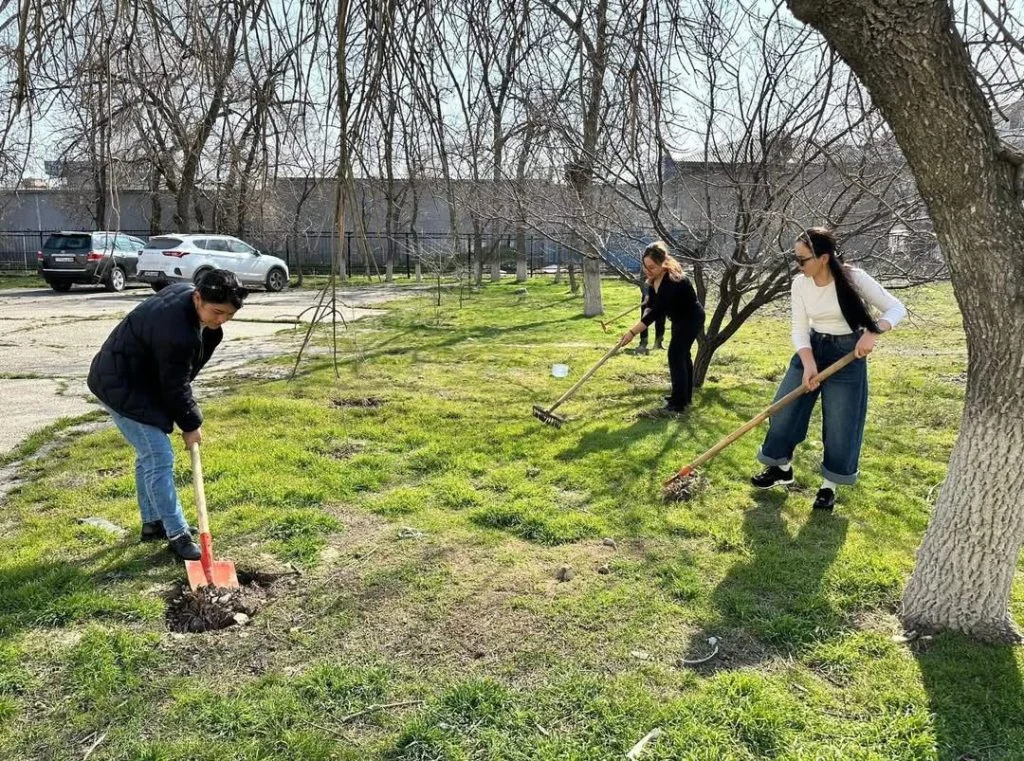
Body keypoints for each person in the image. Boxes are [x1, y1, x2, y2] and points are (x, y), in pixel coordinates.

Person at [87, 269, 248, 559]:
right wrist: (190, 424)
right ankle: (178, 534)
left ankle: (152, 523)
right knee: (159, 456)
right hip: (121, 385)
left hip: (143, 380)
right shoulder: (176, 332)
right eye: (217, 312)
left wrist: (180, 411)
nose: (221, 320)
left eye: (229, 315)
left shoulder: (192, 305)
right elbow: (175, 384)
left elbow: (178, 375)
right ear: (198, 298)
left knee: (148, 454)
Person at [750, 227, 906, 511]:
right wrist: (808, 363)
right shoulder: (800, 284)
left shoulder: (854, 278)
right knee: (784, 411)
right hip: (813, 348)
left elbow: (896, 308)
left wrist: (873, 333)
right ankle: (781, 469)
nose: (797, 265)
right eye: (795, 259)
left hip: (847, 354)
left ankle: (828, 487)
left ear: (823, 258)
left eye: (802, 259)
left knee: (840, 423)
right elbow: (798, 329)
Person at [619, 241, 705, 412]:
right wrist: (646, 307)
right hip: (679, 319)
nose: (647, 270)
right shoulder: (653, 279)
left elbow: (656, 313)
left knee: (675, 355)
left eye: (651, 267)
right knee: (682, 356)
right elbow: (651, 304)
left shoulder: (671, 280)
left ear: (662, 264)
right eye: (645, 266)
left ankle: (678, 404)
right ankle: (683, 397)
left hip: (691, 319)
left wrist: (632, 333)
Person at [634, 281, 666, 355]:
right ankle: (643, 342)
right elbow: (643, 281)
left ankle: (658, 343)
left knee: (661, 320)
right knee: (645, 319)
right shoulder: (645, 269)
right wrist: (646, 294)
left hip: (661, 296)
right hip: (647, 297)